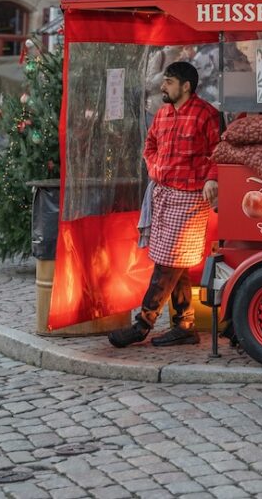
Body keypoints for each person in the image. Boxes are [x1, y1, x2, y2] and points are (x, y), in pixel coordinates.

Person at [108, 61, 220, 348]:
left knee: (168, 260)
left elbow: (218, 151)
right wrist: (156, 168)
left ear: (186, 86)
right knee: (175, 260)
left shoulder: (207, 115)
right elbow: (150, 146)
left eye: (168, 81)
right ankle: (184, 325)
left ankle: (143, 324)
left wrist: (212, 179)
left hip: (191, 197)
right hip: (163, 194)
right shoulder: (161, 115)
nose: (162, 86)